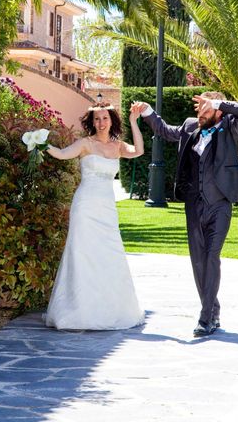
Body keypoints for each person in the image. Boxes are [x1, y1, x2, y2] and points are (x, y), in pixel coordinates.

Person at [132, 92, 238, 337]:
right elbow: (165, 131)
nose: (200, 114)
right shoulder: (190, 126)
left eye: (206, 110)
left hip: (219, 204)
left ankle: (205, 317)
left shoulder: (230, 126)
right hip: (193, 204)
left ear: (218, 111)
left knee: (211, 256)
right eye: (199, 109)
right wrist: (146, 111)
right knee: (198, 261)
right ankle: (213, 309)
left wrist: (217, 103)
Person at [43, 102, 145, 330]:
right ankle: (77, 310)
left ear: (111, 121)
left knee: (109, 253)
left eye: (105, 118)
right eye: (97, 119)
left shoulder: (118, 146)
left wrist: (133, 123)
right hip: (85, 205)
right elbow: (61, 154)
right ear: (92, 122)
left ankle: (111, 308)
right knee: (81, 253)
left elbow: (139, 151)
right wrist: (40, 143)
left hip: (107, 208)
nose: (101, 123)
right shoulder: (85, 144)